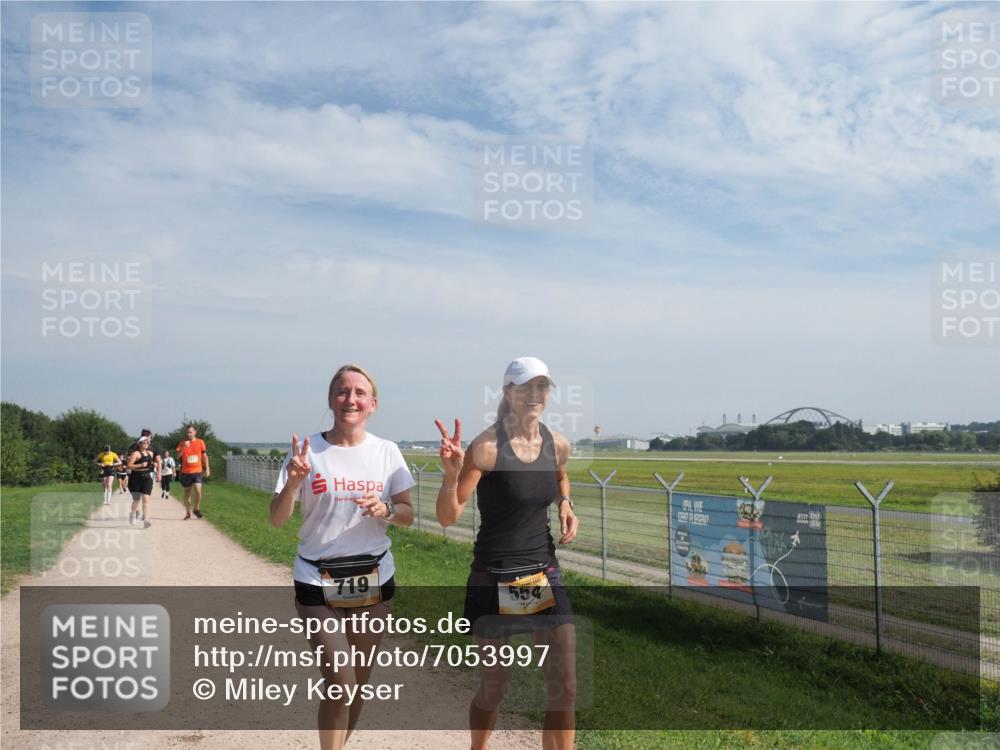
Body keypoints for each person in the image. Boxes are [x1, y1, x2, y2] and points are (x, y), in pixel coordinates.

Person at [435, 356, 580, 750]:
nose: (534, 394)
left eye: (542, 386)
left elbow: (561, 475)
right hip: (495, 577)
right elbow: (448, 516)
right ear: (507, 392)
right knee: (495, 687)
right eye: (525, 386)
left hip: (543, 573)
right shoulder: (487, 447)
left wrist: (565, 503)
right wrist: (451, 476)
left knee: (565, 687)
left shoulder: (557, 444)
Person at [269, 364, 415, 750]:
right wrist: (293, 484)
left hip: (372, 576)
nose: (351, 399)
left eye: (359, 393)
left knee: (357, 685)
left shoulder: (387, 452)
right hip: (317, 578)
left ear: (373, 404)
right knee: (341, 681)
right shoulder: (307, 452)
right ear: (331, 399)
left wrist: (386, 509)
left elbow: (407, 513)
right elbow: (277, 518)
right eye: (342, 391)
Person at [176, 425, 210, 519]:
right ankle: (188, 513)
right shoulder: (183, 442)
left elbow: (204, 456)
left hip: (197, 471)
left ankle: (196, 509)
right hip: (186, 472)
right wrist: (183, 447)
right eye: (187, 432)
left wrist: (207, 468)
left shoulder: (200, 442)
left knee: (198, 491)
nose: (188, 434)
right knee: (187, 494)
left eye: (190, 432)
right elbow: (178, 456)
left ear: (195, 432)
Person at [126, 436, 156, 528]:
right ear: (139, 444)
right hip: (136, 478)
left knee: (146, 499)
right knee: (136, 500)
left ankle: (146, 520)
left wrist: (154, 465)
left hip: (147, 478)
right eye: (144, 442)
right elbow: (129, 466)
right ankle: (132, 514)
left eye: (147, 442)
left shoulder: (150, 453)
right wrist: (140, 465)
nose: (146, 444)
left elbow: (150, 465)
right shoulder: (136, 454)